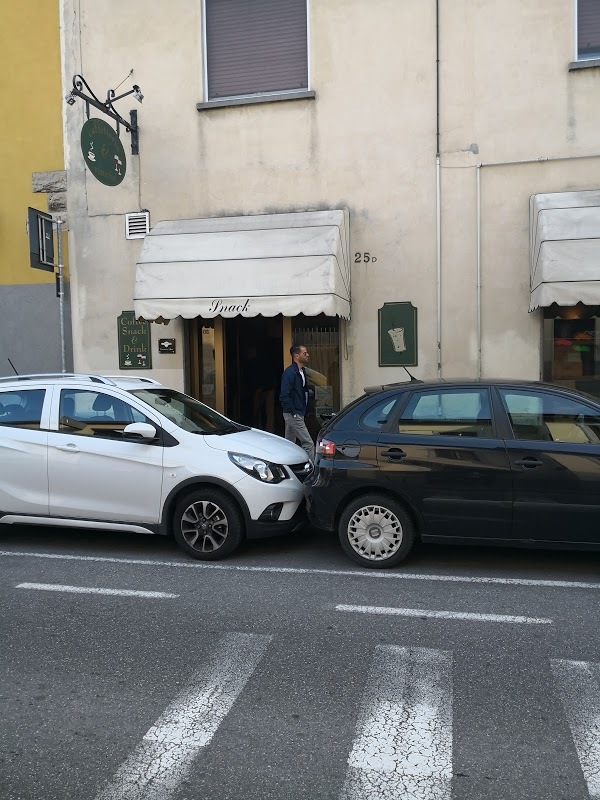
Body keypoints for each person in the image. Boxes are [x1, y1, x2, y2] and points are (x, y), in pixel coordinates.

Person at [279, 343, 315, 461]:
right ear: (296, 356)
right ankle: (311, 470)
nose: (308, 355)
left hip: (297, 412)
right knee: (308, 444)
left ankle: (287, 466)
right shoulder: (290, 373)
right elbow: (284, 395)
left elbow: (302, 392)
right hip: (294, 414)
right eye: (305, 353)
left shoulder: (301, 371)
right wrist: (294, 412)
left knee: (289, 443)